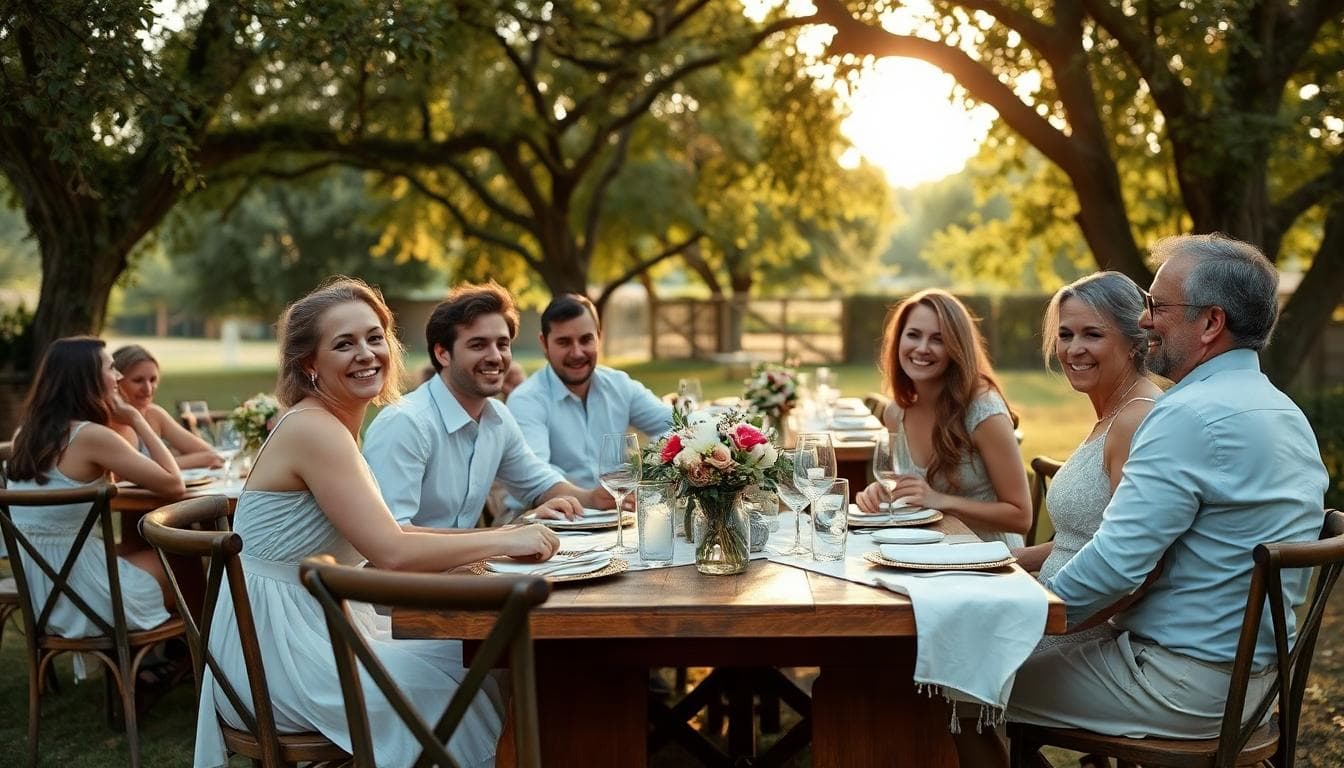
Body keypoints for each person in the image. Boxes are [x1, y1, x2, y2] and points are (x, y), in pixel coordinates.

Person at [956, 235, 1330, 767]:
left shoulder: (1184, 415)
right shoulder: (1283, 411)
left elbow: (1117, 566)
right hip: (1255, 686)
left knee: (954, 676)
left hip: (1180, 687)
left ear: (1209, 324)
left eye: (1157, 306)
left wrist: (1015, 614)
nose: (1146, 319)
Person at [194, 277, 561, 768]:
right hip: (277, 657)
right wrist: (506, 539)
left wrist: (499, 541)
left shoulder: (335, 423)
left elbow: (392, 530)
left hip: (312, 624)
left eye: (374, 337)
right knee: (469, 684)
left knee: (480, 664)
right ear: (309, 363)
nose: (366, 353)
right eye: (343, 343)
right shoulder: (315, 429)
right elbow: (391, 552)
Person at [363, 281, 614, 531]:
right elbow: (393, 538)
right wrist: (507, 534)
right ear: (442, 354)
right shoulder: (405, 423)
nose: (495, 356)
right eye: (478, 345)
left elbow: (538, 483)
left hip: (466, 568)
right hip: (408, 571)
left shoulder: (497, 418)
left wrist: (594, 498)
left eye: (502, 344)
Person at [4, 337, 183, 642]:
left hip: (43, 593)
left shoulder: (26, 434)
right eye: (111, 368)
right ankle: (184, 664)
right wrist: (137, 419)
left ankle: (155, 662)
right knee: (183, 560)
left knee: (135, 551)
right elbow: (174, 484)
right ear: (87, 378)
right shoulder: (91, 437)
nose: (118, 377)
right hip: (85, 595)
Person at [1016, 272, 1160, 651]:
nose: (1073, 349)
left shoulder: (1135, 419)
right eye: (1066, 335)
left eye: (1092, 335)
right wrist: (1011, 558)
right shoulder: (1113, 412)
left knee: (932, 665)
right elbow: (1086, 537)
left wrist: (1049, 625)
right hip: (1049, 609)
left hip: (1075, 631)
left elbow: (1137, 563)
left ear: (1135, 342)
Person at [854, 289, 1031, 546]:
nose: (922, 348)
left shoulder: (983, 411)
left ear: (957, 349)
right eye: (913, 335)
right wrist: (883, 492)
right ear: (898, 341)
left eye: (938, 339)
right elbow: (910, 492)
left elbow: (1021, 516)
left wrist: (940, 500)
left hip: (987, 560)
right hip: (928, 550)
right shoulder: (895, 414)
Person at [506, 293, 671, 510]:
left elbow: (674, 427)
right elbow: (534, 475)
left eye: (586, 340)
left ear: (599, 338)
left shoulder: (619, 385)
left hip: (614, 517)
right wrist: (589, 497)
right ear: (544, 343)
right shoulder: (526, 400)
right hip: (544, 522)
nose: (577, 352)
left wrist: (655, 470)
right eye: (564, 342)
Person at [110, 345, 222, 470]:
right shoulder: (107, 422)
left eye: (153, 380)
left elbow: (212, 455)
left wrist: (168, 465)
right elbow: (130, 471)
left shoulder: (153, 414)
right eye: (138, 380)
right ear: (115, 381)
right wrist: (190, 461)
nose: (148, 389)